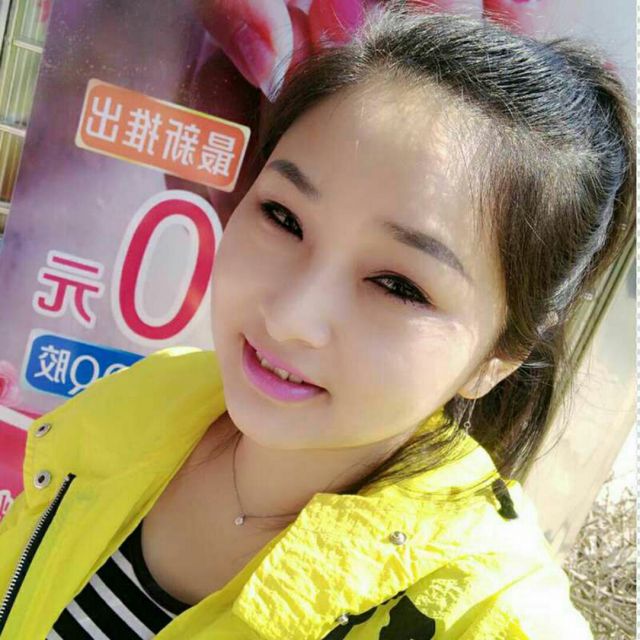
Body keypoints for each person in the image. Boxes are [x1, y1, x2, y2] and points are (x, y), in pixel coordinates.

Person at [0, 5, 634, 639]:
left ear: (500, 358)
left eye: (398, 285)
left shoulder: (488, 619)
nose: (291, 317)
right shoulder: (140, 402)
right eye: (283, 217)